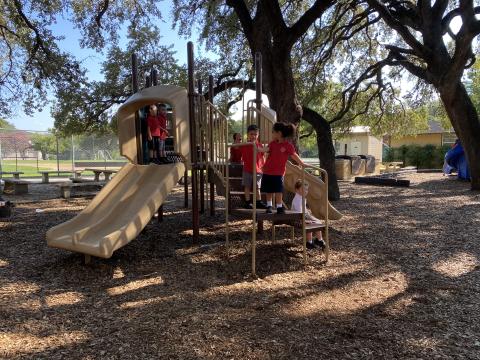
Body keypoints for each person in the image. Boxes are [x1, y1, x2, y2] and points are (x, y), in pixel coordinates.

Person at [260, 122, 309, 214]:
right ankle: (269, 206)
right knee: (269, 191)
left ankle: (279, 207)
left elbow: (294, 155)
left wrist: (302, 163)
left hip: (278, 172)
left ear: (279, 133)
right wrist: (258, 148)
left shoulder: (287, 146)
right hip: (267, 171)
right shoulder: (272, 143)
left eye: (273, 132)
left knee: (278, 190)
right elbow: (266, 149)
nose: (272, 134)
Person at [291, 179, 326, 250]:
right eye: (303, 189)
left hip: (303, 216)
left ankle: (319, 240)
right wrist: (306, 221)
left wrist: (311, 217)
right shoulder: (297, 199)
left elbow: (305, 211)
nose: (306, 191)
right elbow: (298, 213)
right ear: (297, 190)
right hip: (297, 218)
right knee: (311, 224)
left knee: (318, 222)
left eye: (306, 189)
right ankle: (309, 242)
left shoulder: (301, 198)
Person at [240, 125, 266, 209]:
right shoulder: (245, 144)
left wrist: (264, 166)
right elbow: (238, 150)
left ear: (258, 135)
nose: (253, 136)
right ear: (248, 135)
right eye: (251, 134)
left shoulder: (259, 145)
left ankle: (258, 202)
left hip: (258, 170)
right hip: (247, 169)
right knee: (247, 186)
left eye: (255, 134)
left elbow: (263, 156)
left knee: (257, 187)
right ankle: (247, 202)